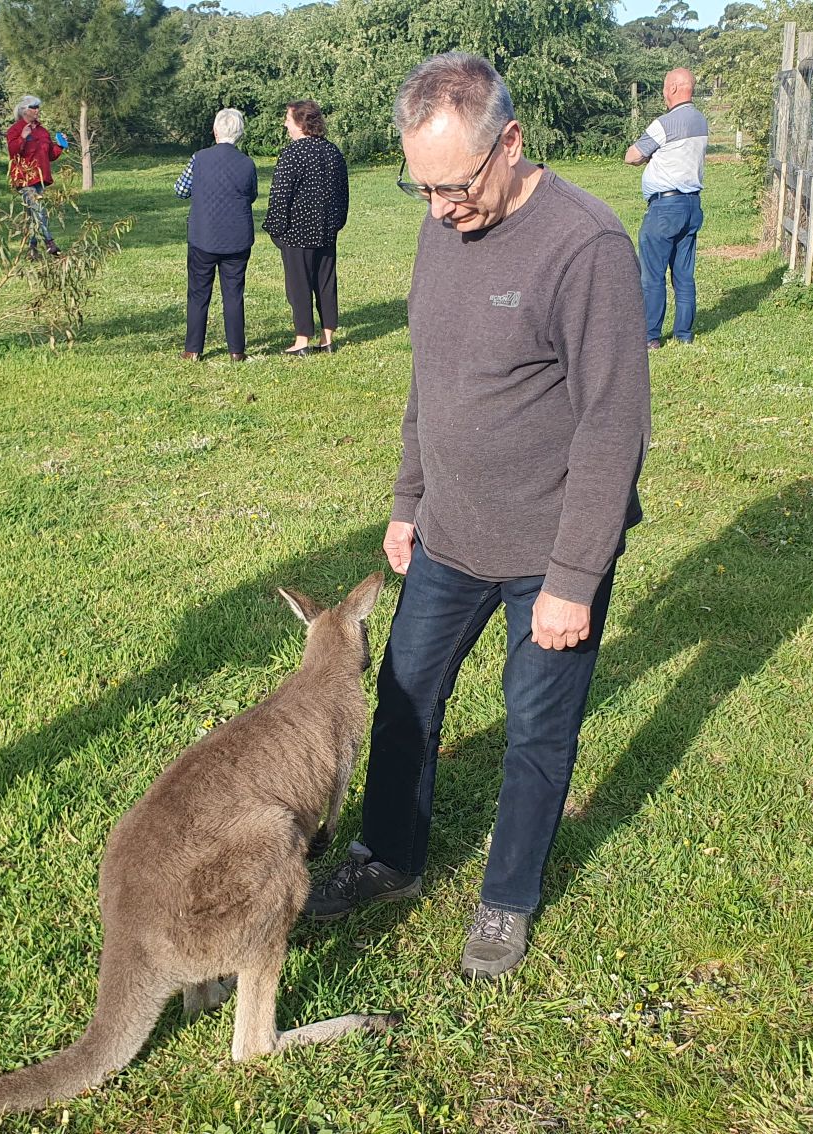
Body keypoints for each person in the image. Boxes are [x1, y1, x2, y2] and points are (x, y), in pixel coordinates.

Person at [304, 53, 651, 981]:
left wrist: (576, 579)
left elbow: (614, 424)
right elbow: (433, 378)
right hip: (448, 536)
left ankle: (506, 902)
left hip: (549, 548)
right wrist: (408, 501)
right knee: (404, 701)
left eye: (453, 187)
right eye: (419, 187)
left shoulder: (586, 246)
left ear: (511, 143)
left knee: (536, 730)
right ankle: (387, 858)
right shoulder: (441, 222)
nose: (438, 210)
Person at [625, 69, 708, 348]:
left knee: (652, 274)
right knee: (684, 274)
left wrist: (650, 158)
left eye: (663, 88)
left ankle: (650, 336)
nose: (663, 93)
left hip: (665, 207)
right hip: (691, 205)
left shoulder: (665, 123)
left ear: (672, 89)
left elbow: (632, 155)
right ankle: (684, 334)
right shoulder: (701, 121)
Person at [262, 100, 349, 355]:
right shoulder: (333, 152)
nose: (285, 123)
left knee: (299, 286)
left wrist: (275, 229)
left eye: (288, 119)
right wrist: (336, 224)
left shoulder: (292, 154)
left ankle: (302, 341)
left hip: (297, 232)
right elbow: (343, 194)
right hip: (326, 230)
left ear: (300, 123)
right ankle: (328, 338)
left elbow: (280, 195)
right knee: (325, 283)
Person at [176, 108, 258, 361]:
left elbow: (180, 190)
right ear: (240, 134)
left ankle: (192, 350)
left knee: (198, 292)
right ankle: (236, 351)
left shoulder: (199, 158)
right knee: (234, 294)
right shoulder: (247, 163)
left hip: (204, 235)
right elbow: (252, 195)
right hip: (237, 237)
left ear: (215, 131)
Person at [6, 95, 65, 257]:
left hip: (40, 177)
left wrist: (60, 145)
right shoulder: (15, 130)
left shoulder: (42, 131)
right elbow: (13, 152)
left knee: (33, 214)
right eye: (34, 107)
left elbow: (50, 155)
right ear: (25, 110)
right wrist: (23, 138)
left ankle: (32, 250)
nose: (37, 110)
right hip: (24, 178)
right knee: (39, 210)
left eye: (38, 107)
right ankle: (50, 243)